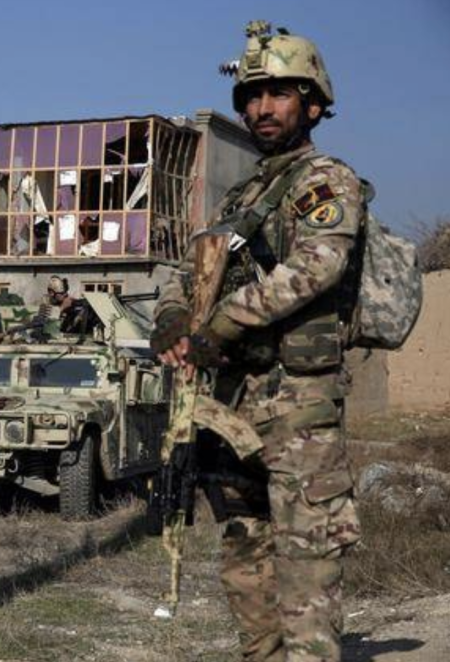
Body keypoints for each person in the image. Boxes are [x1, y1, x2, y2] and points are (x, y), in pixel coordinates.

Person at [151, 21, 362, 661]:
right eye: (251, 96)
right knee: (245, 557)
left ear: (314, 103)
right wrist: (170, 319)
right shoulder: (246, 193)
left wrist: (220, 324)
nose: (260, 108)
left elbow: (316, 266)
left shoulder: (323, 181)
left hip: (296, 404)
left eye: (278, 94)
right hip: (233, 403)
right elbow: (191, 272)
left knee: (305, 570)